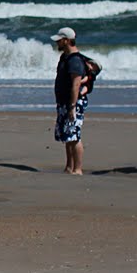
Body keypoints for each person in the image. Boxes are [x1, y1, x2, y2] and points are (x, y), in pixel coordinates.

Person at [51, 26, 89, 175]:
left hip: (74, 103)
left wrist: (72, 106)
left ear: (66, 41)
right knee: (67, 135)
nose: (57, 43)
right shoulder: (65, 57)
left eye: (59, 40)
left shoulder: (75, 60)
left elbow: (76, 85)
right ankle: (69, 167)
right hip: (64, 102)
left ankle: (77, 169)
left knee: (74, 136)